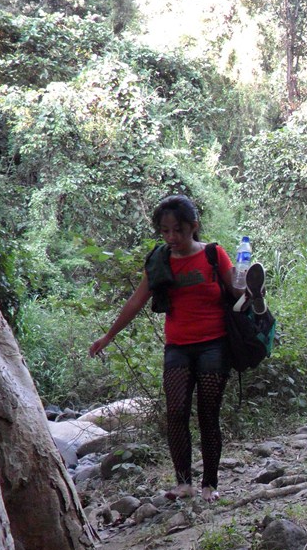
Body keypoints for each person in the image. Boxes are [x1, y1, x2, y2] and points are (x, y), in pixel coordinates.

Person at [89, 194, 245, 503]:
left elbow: (238, 292)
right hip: (178, 347)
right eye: (165, 231)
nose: (171, 237)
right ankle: (183, 483)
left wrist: (251, 285)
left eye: (178, 230)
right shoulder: (160, 260)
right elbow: (137, 300)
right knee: (175, 412)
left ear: (193, 227)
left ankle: (209, 485)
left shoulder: (214, 255)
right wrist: (109, 336)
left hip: (214, 345)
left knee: (208, 414)